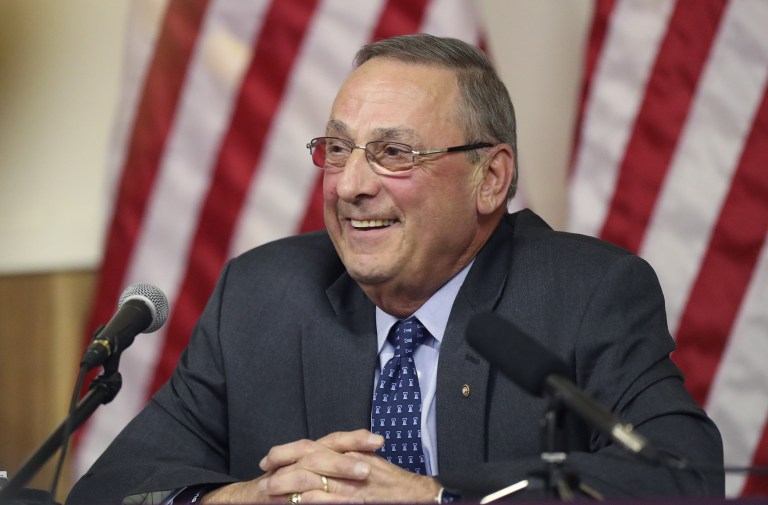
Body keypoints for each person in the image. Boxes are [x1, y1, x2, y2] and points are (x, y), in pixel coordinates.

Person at [67, 34, 724, 504]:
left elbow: (684, 479)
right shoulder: (262, 295)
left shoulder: (586, 295)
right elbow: (109, 487)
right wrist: (244, 499)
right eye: (339, 149)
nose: (349, 184)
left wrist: (436, 499)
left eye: (393, 154)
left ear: (490, 179)